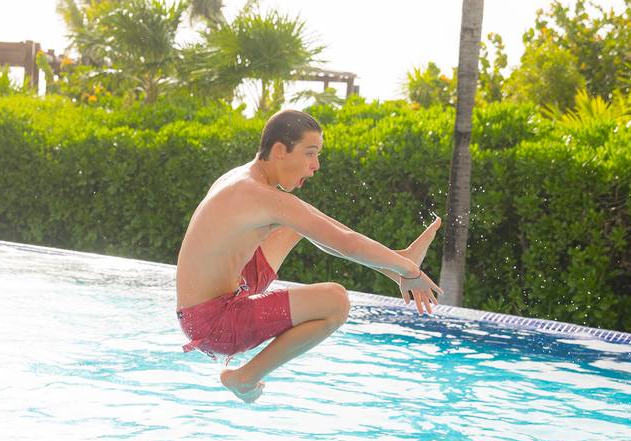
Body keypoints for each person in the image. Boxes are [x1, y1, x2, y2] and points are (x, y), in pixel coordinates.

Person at [176, 109, 442, 403]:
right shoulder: (257, 195)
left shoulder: (243, 179)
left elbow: (329, 234)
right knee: (335, 302)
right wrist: (412, 272)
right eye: (310, 153)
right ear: (279, 150)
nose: (316, 166)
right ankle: (245, 377)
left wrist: (400, 265)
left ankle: (396, 263)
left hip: (224, 294)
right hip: (215, 324)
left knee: (300, 223)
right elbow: (346, 244)